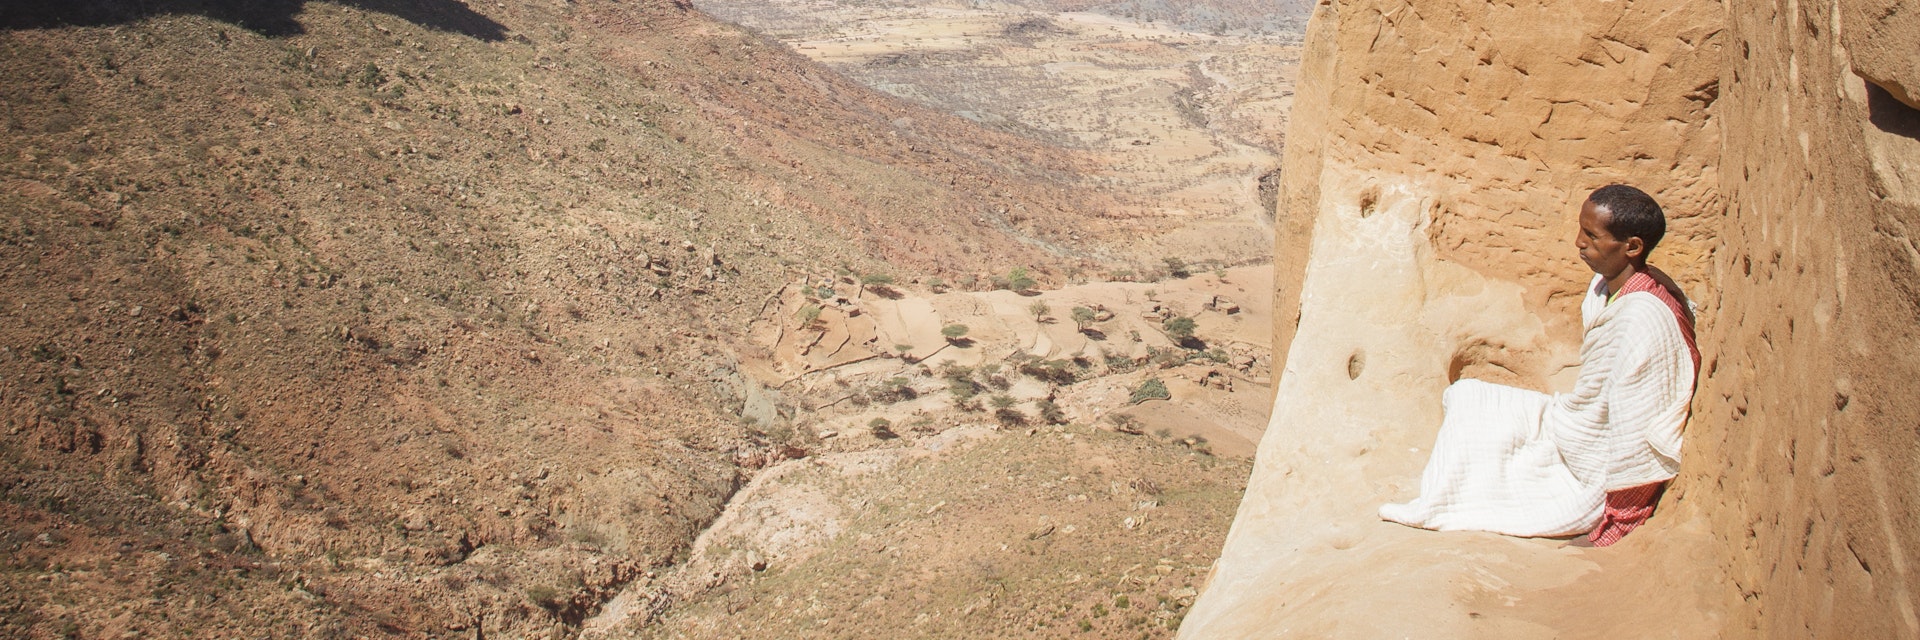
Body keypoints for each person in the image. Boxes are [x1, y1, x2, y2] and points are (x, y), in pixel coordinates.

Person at [1379, 184, 1699, 546]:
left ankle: (1444, 504)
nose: (1579, 242)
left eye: (1592, 236)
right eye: (1581, 230)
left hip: (1595, 456)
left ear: (1633, 247)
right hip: (1578, 423)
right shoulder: (1604, 286)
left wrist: (1618, 522)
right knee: (1469, 397)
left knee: (1502, 461)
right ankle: (1444, 494)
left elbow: (1635, 424)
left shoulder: (1644, 318)